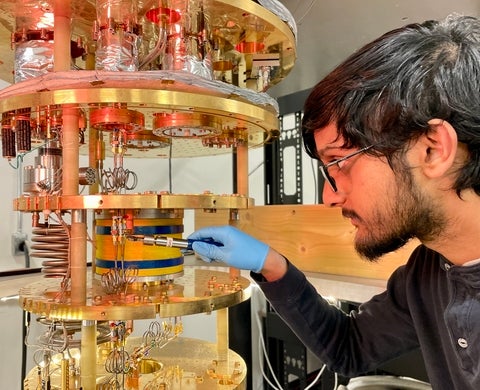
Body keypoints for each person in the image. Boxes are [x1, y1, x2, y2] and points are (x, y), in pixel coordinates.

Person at [188, 14, 480, 390]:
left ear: (433, 149)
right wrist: (270, 264)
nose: (329, 196)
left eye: (339, 163)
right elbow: (350, 348)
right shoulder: (426, 274)